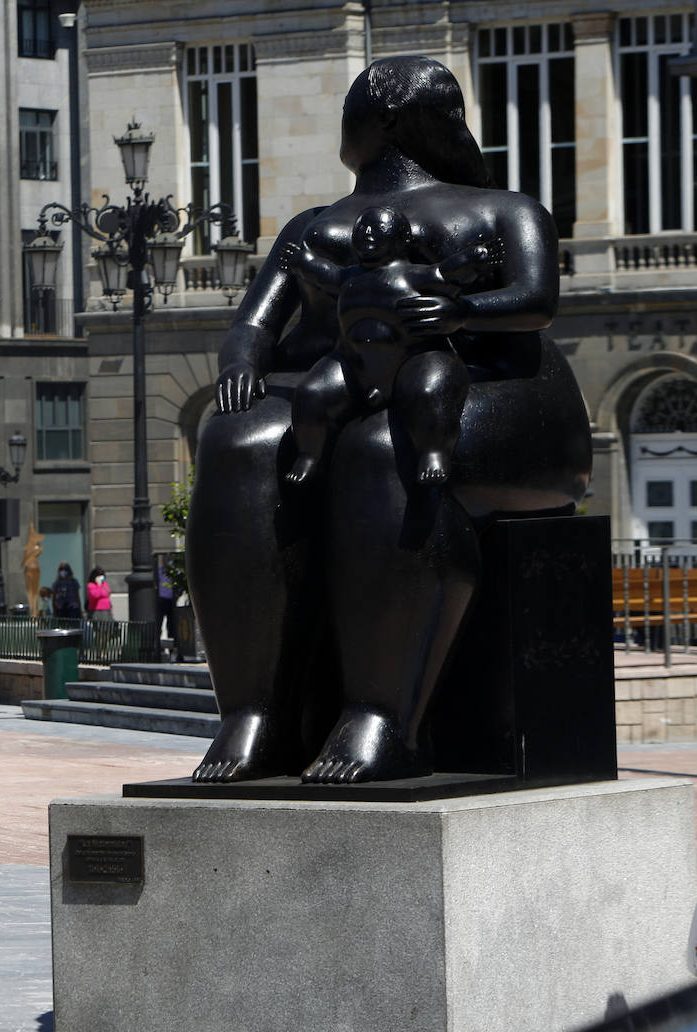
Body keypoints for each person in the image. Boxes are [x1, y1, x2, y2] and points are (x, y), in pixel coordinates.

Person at [189, 56, 591, 785]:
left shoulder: (505, 211)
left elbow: (537, 302)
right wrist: (241, 362)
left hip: (495, 394)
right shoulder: (309, 228)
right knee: (237, 441)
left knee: (385, 450)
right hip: (342, 382)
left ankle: (384, 716)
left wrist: (464, 308)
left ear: (384, 120)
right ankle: (252, 713)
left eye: (348, 108)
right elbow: (254, 323)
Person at [279, 205, 504, 485]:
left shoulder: (414, 275)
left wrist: (473, 258)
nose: (367, 233)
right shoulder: (348, 277)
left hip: (413, 359)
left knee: (427, 392)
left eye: (377, 228)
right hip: (354, 364)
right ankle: (310, 455)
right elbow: (325, 274)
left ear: (401, 239)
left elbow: (446, 273)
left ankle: (434, 452)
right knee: (311, 392)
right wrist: (302, 262)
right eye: (361, 228)